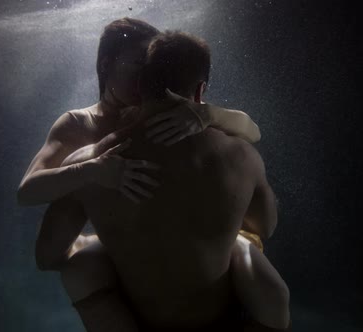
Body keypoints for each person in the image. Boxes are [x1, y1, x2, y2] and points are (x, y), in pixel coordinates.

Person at [16, 18, 283, 330]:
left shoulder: (181, 114)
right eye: (139, 63)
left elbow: (252, 130)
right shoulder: (79, 125)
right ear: (107, 64)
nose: (147, 74)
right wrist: (88, 170)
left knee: (258, 272)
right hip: (125, 245)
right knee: (80, 267)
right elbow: (27, 192)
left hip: (172, 254)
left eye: (151, 64)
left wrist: (209, 114)